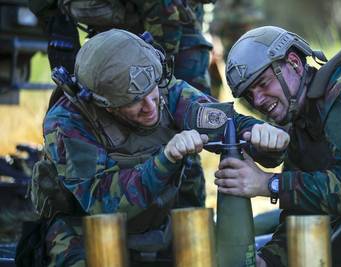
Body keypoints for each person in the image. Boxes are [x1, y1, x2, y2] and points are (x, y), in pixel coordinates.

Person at [26, 28, 289, 267]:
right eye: (135, 102)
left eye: (152, 93)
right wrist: (166, 158)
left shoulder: (167, 91)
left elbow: (227, 124)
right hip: (83, 230)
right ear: (105, 104)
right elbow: (103, 205)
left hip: (162, 224)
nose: (151, 107)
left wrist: (262, 138)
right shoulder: (68, 122)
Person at [215, 25, 341, 266]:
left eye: (262, 83)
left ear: (294, 63)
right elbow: (302, 213)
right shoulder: (302, 125)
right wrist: (266, 260)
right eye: (249, 95)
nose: (258, 100)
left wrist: (267, 183)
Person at [29, 0, 214, 95]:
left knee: (180, 102)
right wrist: (61, 36)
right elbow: (43, 7)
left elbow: (165, 14)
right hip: (116, 29)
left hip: (174, 26)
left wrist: (158, 67)